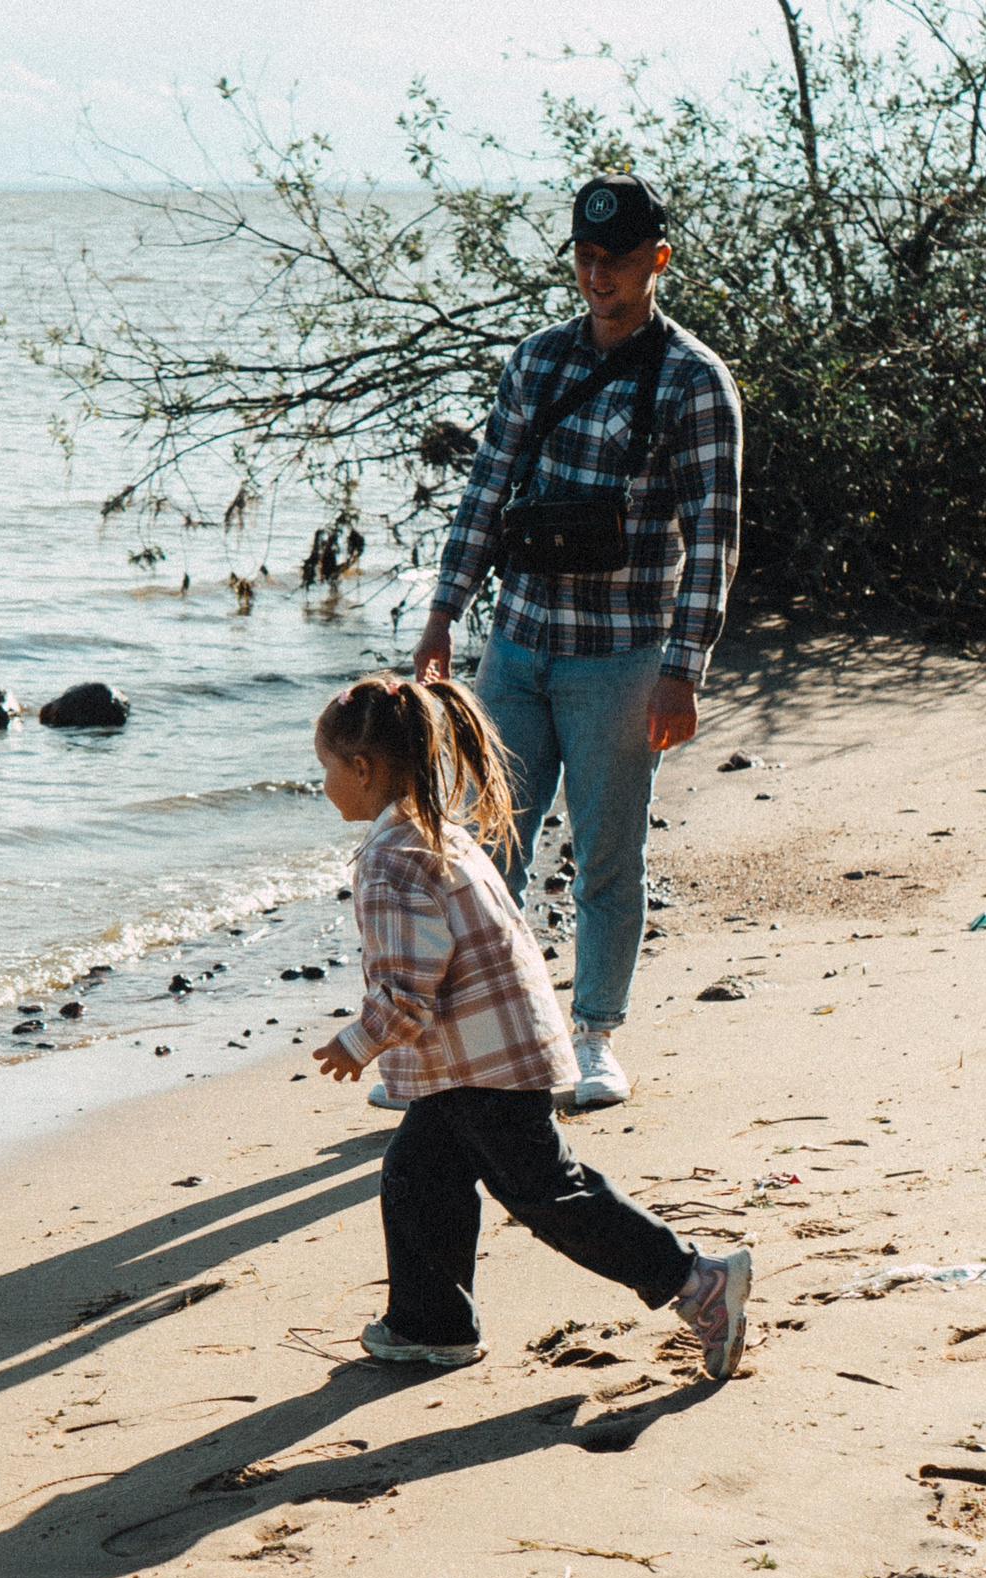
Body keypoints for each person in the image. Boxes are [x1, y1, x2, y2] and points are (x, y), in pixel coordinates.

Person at [306, 674, 751, 1377]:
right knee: (419, 1172)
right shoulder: (436, 834)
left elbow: (407, 991)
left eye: (326, 768)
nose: (323, 783)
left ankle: (697, 1281)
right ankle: (433, 1322)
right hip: (482, 1051)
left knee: (551, 1194)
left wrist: (356, 1043)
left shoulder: (392, 862)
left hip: (485, 1062)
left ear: (361, 770)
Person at [412, 171, 742, 1112]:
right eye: (586, 259)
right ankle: (484, 1041)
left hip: (623, 657)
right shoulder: (536, 362)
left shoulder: (694, 382)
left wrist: (684, 672)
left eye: (620, 261)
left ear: (659, 260)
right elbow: (485, 493)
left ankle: (594, 1036)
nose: (599, 278)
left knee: (606, 854)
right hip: (516, 646)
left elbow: (714, 539)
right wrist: (443, 615)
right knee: (484, 850)